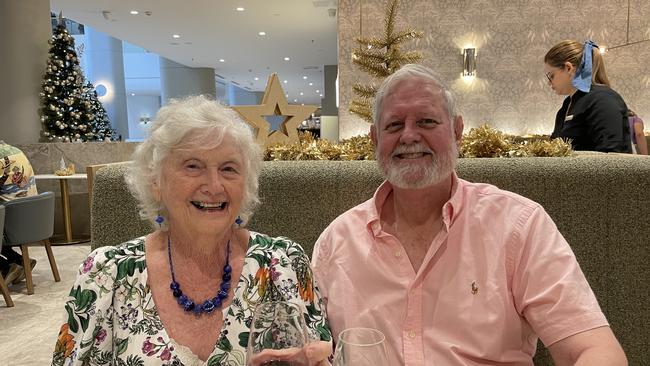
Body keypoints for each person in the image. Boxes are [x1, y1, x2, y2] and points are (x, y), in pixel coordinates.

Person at [311, 64, 627, 365]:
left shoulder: (518, 225)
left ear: (457, 131)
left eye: (426, 122)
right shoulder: (336, 242)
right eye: (394, 125)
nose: (409, 136)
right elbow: (317, 352)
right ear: (375, 139)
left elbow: (591, 349)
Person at [52, 96, 331, 366]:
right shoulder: (105, 275)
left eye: (229, 169)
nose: (213, 185)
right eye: (193, 166)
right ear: (155, 181)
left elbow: (319, 356)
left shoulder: (283, 263)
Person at [544, 40, 631, 153]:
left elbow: (611, 156)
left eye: (551, 76)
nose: (549, 83)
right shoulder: (566, 105)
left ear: (568, 68)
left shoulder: (603, 100)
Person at [1, 141, 38, 285]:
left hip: (13, 225)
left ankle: (5, 268)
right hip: (35, 219)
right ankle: (19, 261)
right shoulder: (15, 150)